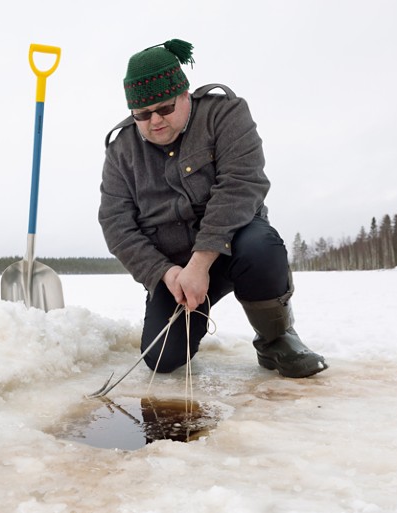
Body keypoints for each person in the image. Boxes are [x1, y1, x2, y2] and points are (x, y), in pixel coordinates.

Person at [98, 39, 327, 378]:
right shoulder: (121, 150)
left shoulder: (225, 114)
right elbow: (116, 223)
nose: (155, 121)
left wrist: (201, 261)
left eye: (164, 108)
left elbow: (241, 184)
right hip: (174, 268)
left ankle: (276, 339)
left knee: (260, 247)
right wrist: (165, 273)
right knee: (162, 359)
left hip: (236, 245)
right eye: (143, 115)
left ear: (185, 95)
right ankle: (186, 319)